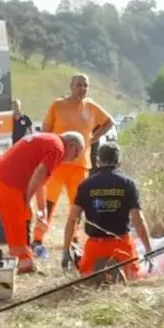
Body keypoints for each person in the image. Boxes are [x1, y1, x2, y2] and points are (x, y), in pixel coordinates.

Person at [33, 74, 115, 257]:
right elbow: (46, 131)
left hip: (80, 166)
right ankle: (38, 240)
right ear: (71, 86)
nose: (82, 88)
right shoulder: (57, 105)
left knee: (77, 206)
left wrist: (93, 138)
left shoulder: (91, 107)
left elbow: (109, 122)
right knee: (48, 204)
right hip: (56, 164)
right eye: (79, 85)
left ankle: (74, 241)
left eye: (86, 85)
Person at [0, 131, 85, 273]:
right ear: (72, 146)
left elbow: (40, 178)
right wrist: (27, 199)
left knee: (13, 219)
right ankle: (25, 262)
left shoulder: (50, 140)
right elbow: (39, 174)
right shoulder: (58, 149)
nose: (70, 160)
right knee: (20, 219)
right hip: (8, 180)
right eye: (74, 156)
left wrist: (42, 206)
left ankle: (19, 259)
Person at [60, 143, 154, 280]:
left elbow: (72, 219)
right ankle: (120, 270)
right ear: (119, 162)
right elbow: (138, 220)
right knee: (133, 277)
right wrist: (148, 249)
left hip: (95, 246)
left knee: (87, 277)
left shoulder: (85, 185)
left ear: (98, 162)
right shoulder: (128, 184)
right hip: (121, 244)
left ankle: (95, 269)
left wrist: (65, 250)